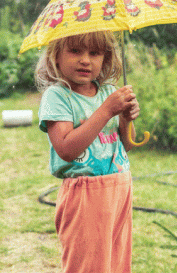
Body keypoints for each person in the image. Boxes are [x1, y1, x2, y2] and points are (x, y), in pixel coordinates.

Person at [35, 30, 140, 273]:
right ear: (56, 57)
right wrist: (106, 110)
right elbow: (66, 149)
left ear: (106, 58)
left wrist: (125, 118)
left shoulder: (106, 92)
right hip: (85, 194)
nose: (85, 60)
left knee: (116, 264)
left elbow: (123, 145)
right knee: (88, 266)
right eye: (75, 51)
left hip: (120, 187)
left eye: (94, 53)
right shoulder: (58, 96)